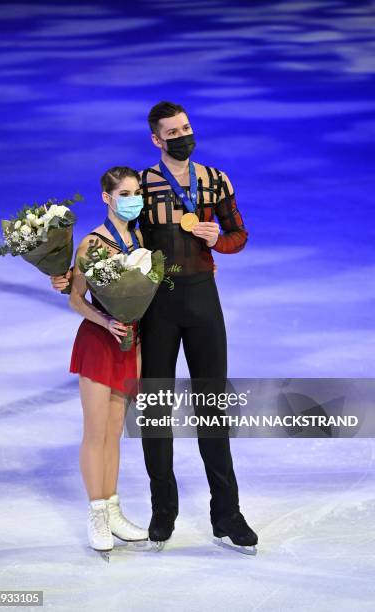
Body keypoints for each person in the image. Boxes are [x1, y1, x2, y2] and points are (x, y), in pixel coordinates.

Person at [52, 101, 258, 555]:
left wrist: (217, 242)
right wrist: (71, 275)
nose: (183, 135)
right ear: (156, 139)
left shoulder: (215, 180)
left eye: (186, 127)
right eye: (172, 131)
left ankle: (228, 514)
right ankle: (162, 512)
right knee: (157, 411)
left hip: (204, 300)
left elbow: (239, 235)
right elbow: (114, 238)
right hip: (155, 307)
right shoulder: (141, 186)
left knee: (212, 405)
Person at [68, 166, 148, 554]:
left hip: (130, 345)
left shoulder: (139, 237)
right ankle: (96, 511)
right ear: (107, 197)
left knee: (116, 431)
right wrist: (107, 320)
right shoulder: (91, 244)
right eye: (126, 193)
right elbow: (75, 299)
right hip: (99, 343)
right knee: (95, 431)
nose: (134, 200)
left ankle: (114, 508)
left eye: (137, 192)